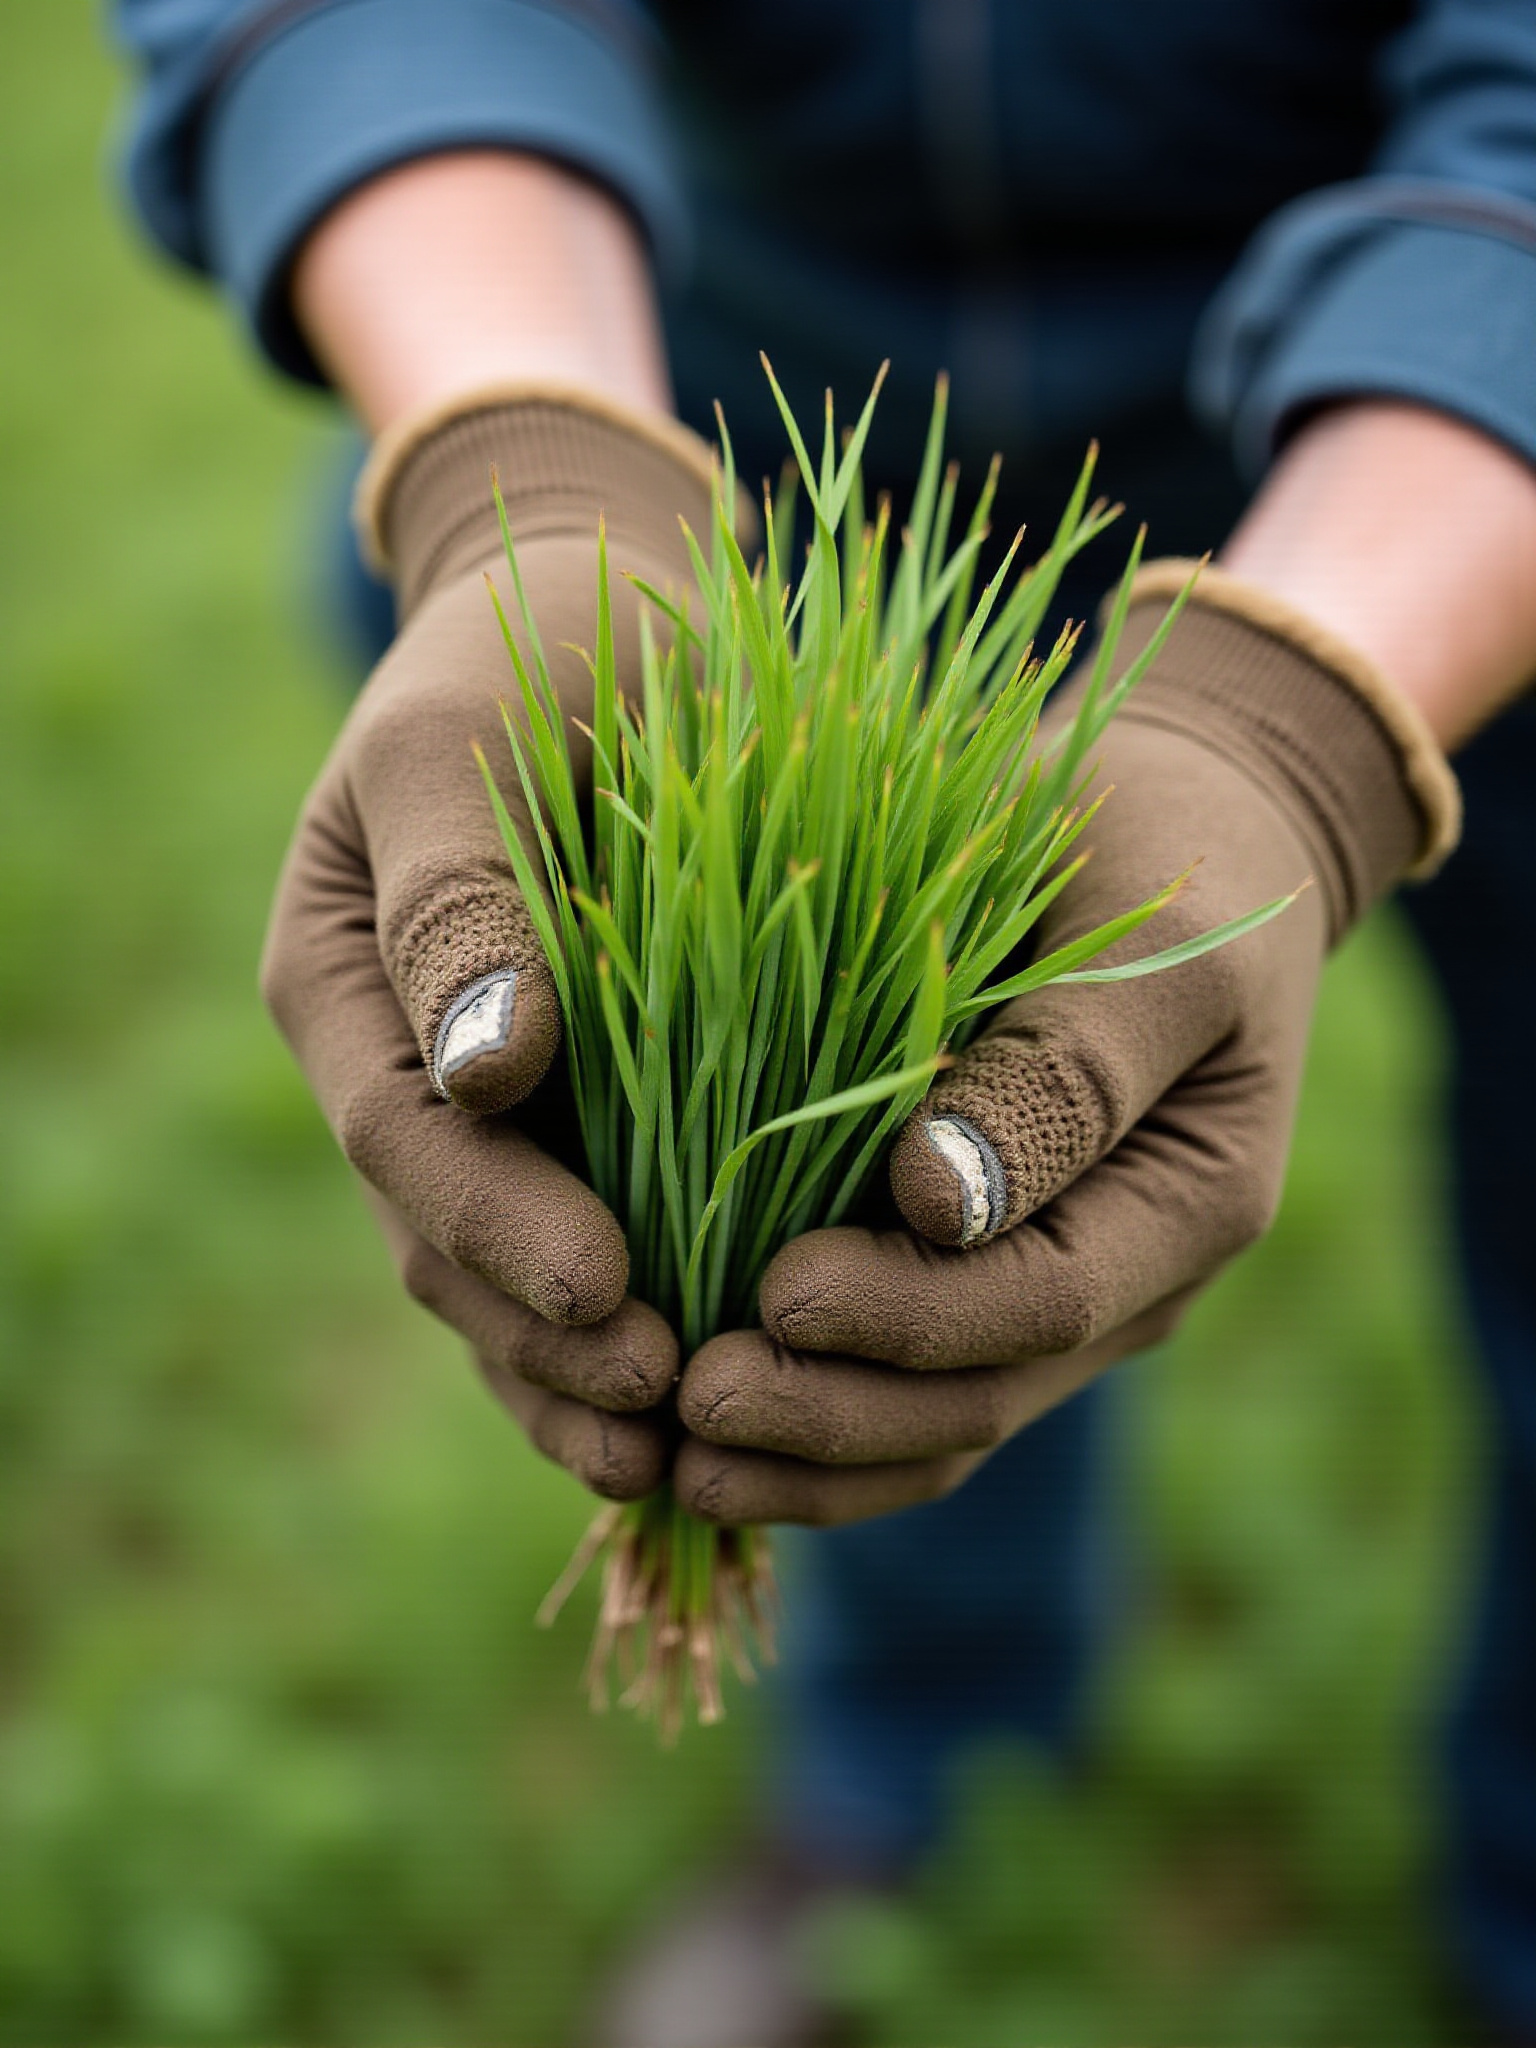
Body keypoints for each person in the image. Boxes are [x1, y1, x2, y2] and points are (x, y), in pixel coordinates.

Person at [114, 4, 1536, 2041]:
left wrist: (1299, 729)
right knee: (844, 1246)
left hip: (1467, 456)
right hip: (693, 393)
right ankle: (906, 1776)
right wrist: (527, 465)